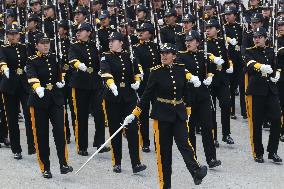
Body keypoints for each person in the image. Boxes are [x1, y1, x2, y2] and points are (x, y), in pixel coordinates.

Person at [124, 43, 208, 188]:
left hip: (179, 113)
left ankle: (195, 170)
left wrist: (187, 109)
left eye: (167, 53)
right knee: (164, 153)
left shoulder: (181, 69)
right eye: (162, 53)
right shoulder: (155, 72)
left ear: (174, 56)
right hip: (162, 115)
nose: (163, 55)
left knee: (184, 143)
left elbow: (185, 92)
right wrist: (135, 113)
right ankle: (165, 185)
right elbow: (146, 95)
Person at [26, 33, 73, 178]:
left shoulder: (54, 57)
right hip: (39, 101)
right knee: (41, 135)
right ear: (36, 46)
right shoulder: (31, 60)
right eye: (42, 43)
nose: (46, 45)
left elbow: (64, 69)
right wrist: (37, 87)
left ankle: (63, 163)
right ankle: (45, 167)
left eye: (48, 42)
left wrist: (62, 79)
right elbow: (30, 74)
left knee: (60, 130)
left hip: (56, 99)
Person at [100, 32, 147, 173]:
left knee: (132, 130)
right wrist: (111, 84)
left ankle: (136, 163)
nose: (110, 42)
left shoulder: (129, 56)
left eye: (113, 40)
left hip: (129, 97)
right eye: (109, 40)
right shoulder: (105, 56)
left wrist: (137, 82)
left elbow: (138, 71)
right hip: (112, 98)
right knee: (115, 130)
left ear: (121, 42)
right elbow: (105, 72)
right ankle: (117, 162)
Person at [177, 30, 221, 169]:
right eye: (186, 40)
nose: (188, 43)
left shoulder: (203, 55)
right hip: (188, 97)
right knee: (190, 130)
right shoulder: (181, 56)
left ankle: (211, 158)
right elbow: (181, 69)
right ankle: (193, 160)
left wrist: (209, 76)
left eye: (191, 40)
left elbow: (211, 67)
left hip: (203, 95)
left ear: (198, 42)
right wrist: (191, 77)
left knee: (207, 127)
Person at [68, 22, 110, 156]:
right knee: (81, 115)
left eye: (81, 30)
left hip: (95, 84)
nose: (78, 33)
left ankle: (100, 143)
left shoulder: (94, 45)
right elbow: (72, 59)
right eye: (77, 31)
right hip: (80, 84)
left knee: (99, 114)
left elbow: (101, 60)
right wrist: (79, 65)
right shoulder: (74, 46)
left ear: (89, 32)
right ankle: (82, 146)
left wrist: (102, 70)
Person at [244, 27, 282, 163]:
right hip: (256, 91)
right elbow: (248, 64)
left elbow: (276, 66)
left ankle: (272, 151)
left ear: (266, 38)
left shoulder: (271, 51)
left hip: (270, 90)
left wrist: (277, 74)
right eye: (255, 37)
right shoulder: (250, 51)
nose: (257, 39)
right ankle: (258, 152)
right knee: (257, 123)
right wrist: (260, 67)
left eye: (260, 37)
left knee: (277, 118)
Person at [0, 24, 35, 159]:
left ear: (20, 35)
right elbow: (2, 60)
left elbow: (31, 60)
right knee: (12, 118)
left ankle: (32, 144)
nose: (13, 36)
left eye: (16, 34)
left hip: (24, 85)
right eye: (11, 34)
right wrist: (4, 68)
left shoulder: (24, 47)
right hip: (9, 86)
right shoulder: (3, 48)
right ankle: (16, 149)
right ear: (7, 35)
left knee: (29, 114)